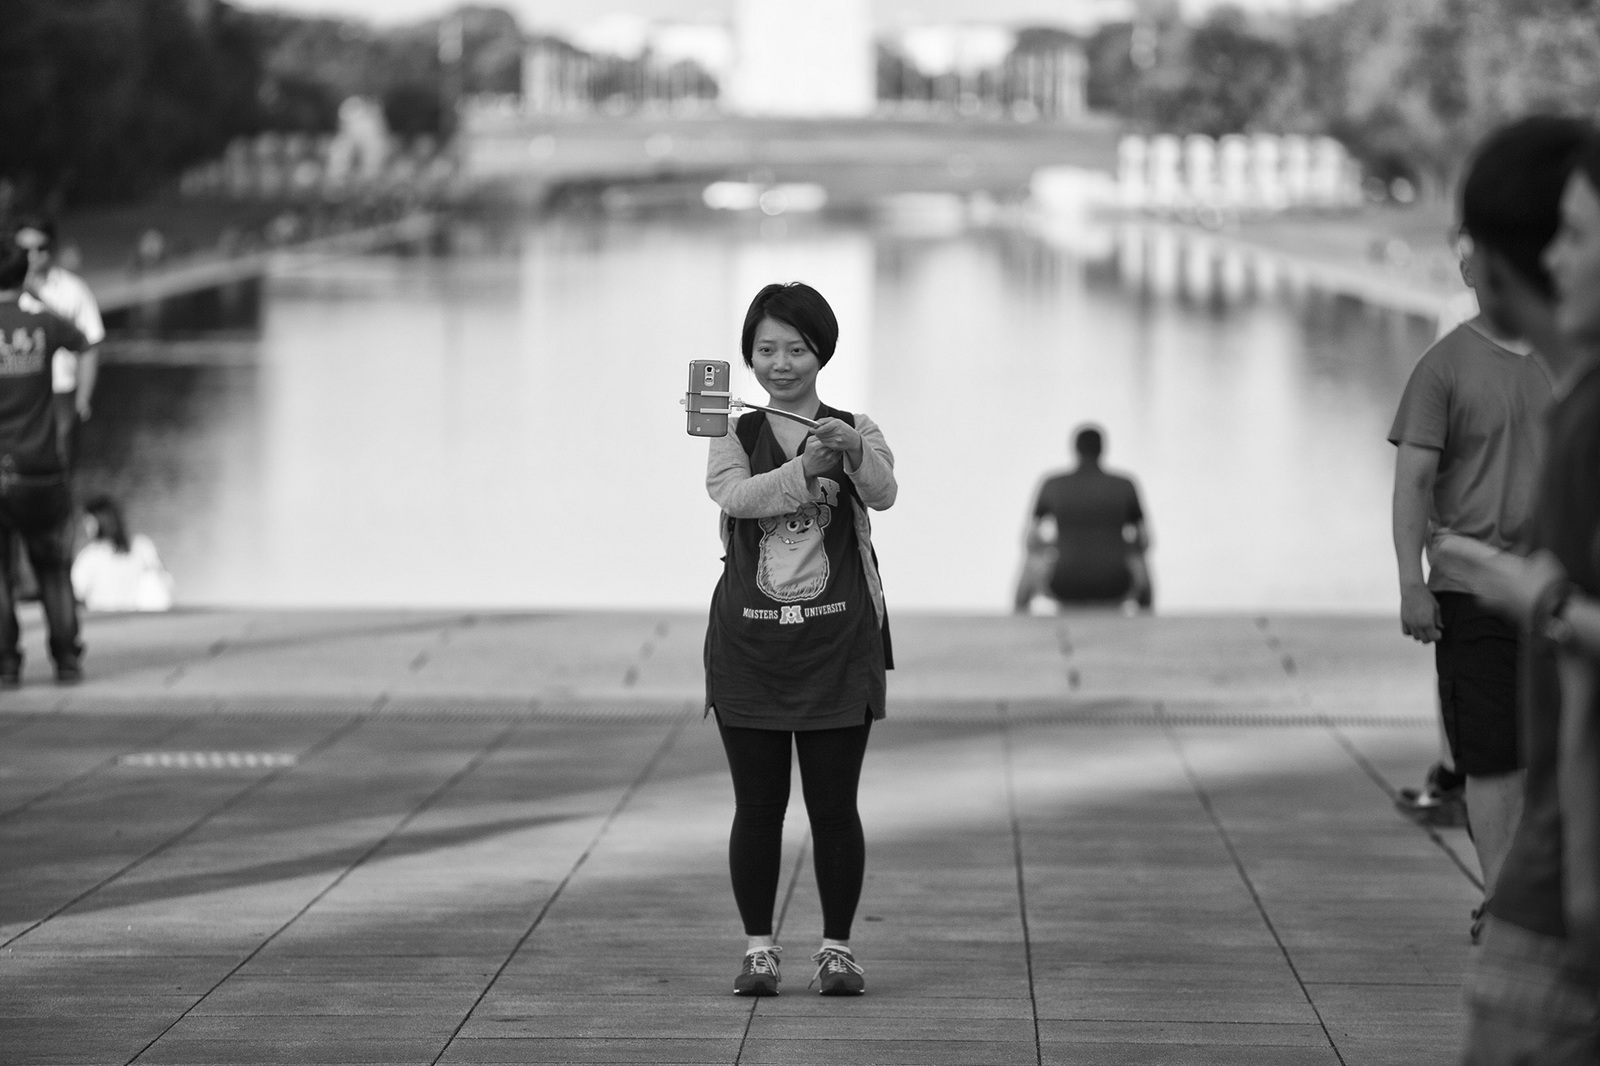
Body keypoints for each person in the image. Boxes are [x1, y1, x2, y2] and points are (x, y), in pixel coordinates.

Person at [1387, 117, 1586, 944]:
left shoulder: (1569, 366)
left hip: (1558, 591)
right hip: (1471, 589)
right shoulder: (1442, 367)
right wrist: (1411, 582)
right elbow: (1414, 482)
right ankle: (1502, 900)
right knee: (1491, 757)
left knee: (1548, 751)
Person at [1438, 124, 1600, 1066]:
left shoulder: (1587, 423)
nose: (1561, 256)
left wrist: (1537, 597)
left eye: (1579, 234)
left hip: (1562, 920)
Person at [703, 282, 896, 997]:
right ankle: (759, 950)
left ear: (822, 352)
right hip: (749, 647)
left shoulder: (854, 426)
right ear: (749, 356)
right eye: (765, 349)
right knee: (757, 807)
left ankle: (838, 951)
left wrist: (850, 454)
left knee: (834, 805)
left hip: (838, 645)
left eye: (795, 348)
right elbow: (733, 498)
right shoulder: (733, 433)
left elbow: (885, 493)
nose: (780, 363)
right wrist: (804, 470)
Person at [0, 242, 91, 685]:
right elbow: (87, 342)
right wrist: (75, 405)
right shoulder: (41, 322)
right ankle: (66, 657)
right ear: (22, 275)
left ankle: (6, 662)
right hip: (41, 465)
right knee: (53, 567)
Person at [1014, 425, 1151, 613]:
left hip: (1062, 584)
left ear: (1075, 449)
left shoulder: (1052, 483)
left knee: (1031, 559)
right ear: (1103, 449)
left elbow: (1030, 540)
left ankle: (1018, 618)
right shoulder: (1125, 484)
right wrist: (1116, 543)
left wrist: (1057, 545)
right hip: (1116, 584)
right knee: (1138, 558)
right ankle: (1148, 617)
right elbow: (1145, 540)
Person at [13, 217, 103, 471]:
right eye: (25, 250)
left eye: (40, 248)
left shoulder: (74, 289)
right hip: (16, 393)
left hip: (61, 394)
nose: (32, 256)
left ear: (51, 248)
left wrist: (83, 400)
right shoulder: (6, 291)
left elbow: (89, 343)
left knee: (60, 467)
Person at [71, 495, 174, 612]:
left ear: (99, 520)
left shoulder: (90, 555)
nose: (86, 526)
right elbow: (166, 580)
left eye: (88, 521)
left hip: (103, 619)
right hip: (136, 618)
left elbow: (75, 593)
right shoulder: (141, 545)